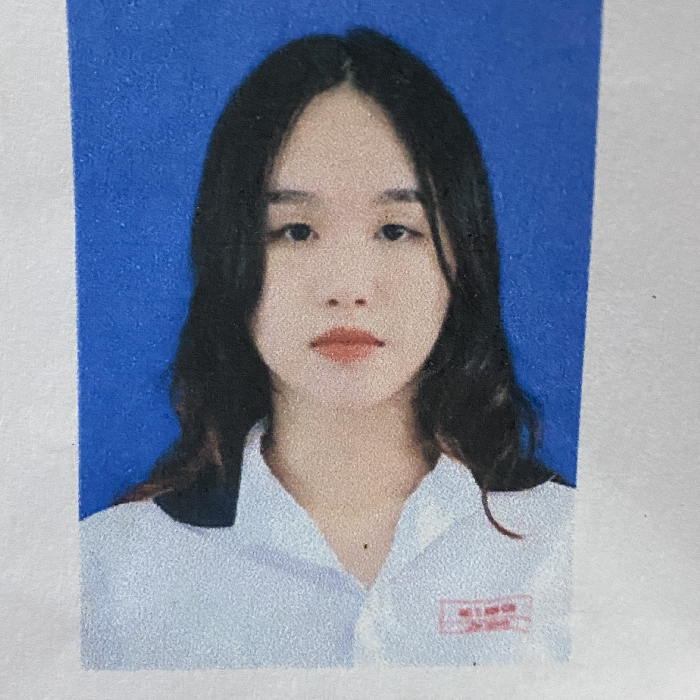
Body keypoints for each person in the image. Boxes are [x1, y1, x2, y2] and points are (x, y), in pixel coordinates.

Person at [80, 28, 574, 669]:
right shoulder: (109, 575)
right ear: (230, 257)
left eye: (395, 230)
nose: (346, 287)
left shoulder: (568, 549)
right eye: (295, 230)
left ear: (462, 257)